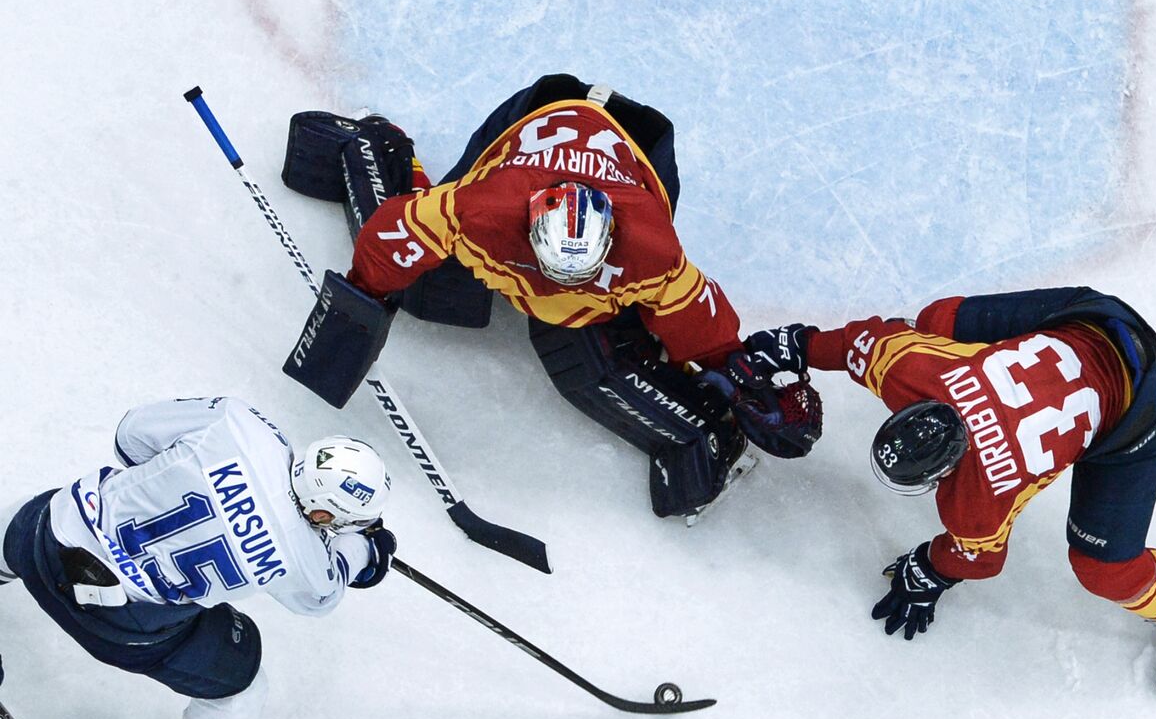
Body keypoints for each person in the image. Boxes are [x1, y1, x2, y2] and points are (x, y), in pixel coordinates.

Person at [277, 73, 821, 521]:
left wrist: (732, 378)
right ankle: (376, 145)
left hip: (643, 143)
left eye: (580, 277)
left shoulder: (652, 251)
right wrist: (367, 297)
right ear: (530, 234)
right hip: (537, 112)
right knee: (427, 292)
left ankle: (688, 430)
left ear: (610, 241)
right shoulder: (481, 211)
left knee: (598, 360)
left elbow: (699, 323)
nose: (562, 291)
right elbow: (390, 236)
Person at [744, 287, 1156, 703]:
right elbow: (858, 342)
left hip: (1141, 412)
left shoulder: (979, 498)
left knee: (1104, 567)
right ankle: (954, 344)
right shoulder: (912, 368)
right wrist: (799, 345)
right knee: (936, 321)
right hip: (1098, 321)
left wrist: (931, 569)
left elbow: (980, 560)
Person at [0, 396, 397, 719]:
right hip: (118, 627)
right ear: (326, 517)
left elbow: (130, 438)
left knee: (39, 518)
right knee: (239, 688)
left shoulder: (241, 424)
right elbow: (323, 594)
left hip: (42, 540)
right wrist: (366, 552)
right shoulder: (304, 558)